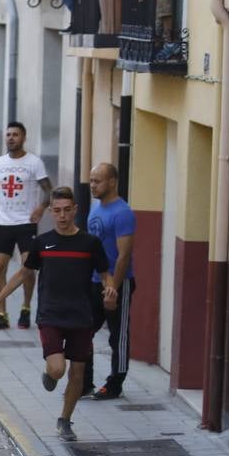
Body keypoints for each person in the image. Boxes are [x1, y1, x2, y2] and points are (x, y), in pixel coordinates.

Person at [0, 187, 113, 443]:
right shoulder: (42, 242)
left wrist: (110, 288)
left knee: (78, 374)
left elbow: (105, 273)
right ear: (50, 212)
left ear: (75, 210)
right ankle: (50, 373)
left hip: (81, 317)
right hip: (51, 316)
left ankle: (64, 419)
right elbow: (23, 273)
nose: (62, 216)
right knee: (57, 368)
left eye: (67, 210)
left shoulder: (90, 244)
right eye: (57, 211)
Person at [0, 122, 52, 331]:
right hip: (3, 222)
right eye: (8, 134)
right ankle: (2, 313)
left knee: (28, 268)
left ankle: (26, 308)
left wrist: (41, 208)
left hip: (26, 223)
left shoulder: (34, 163)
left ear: (23, 138)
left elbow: (48, 189)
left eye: (15, 135)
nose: (10, 138)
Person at [86, 162, 136, 400]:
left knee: (119, 335)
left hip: (117, 283)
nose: (92, 185)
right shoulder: (95, 209)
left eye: (98, 181)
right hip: (95, 281)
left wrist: (113, 288)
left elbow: (124, 255)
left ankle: (115, 383)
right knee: (83, 330)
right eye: (92, 180)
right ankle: (85, 381)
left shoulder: (122, 212)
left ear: (113, 182)